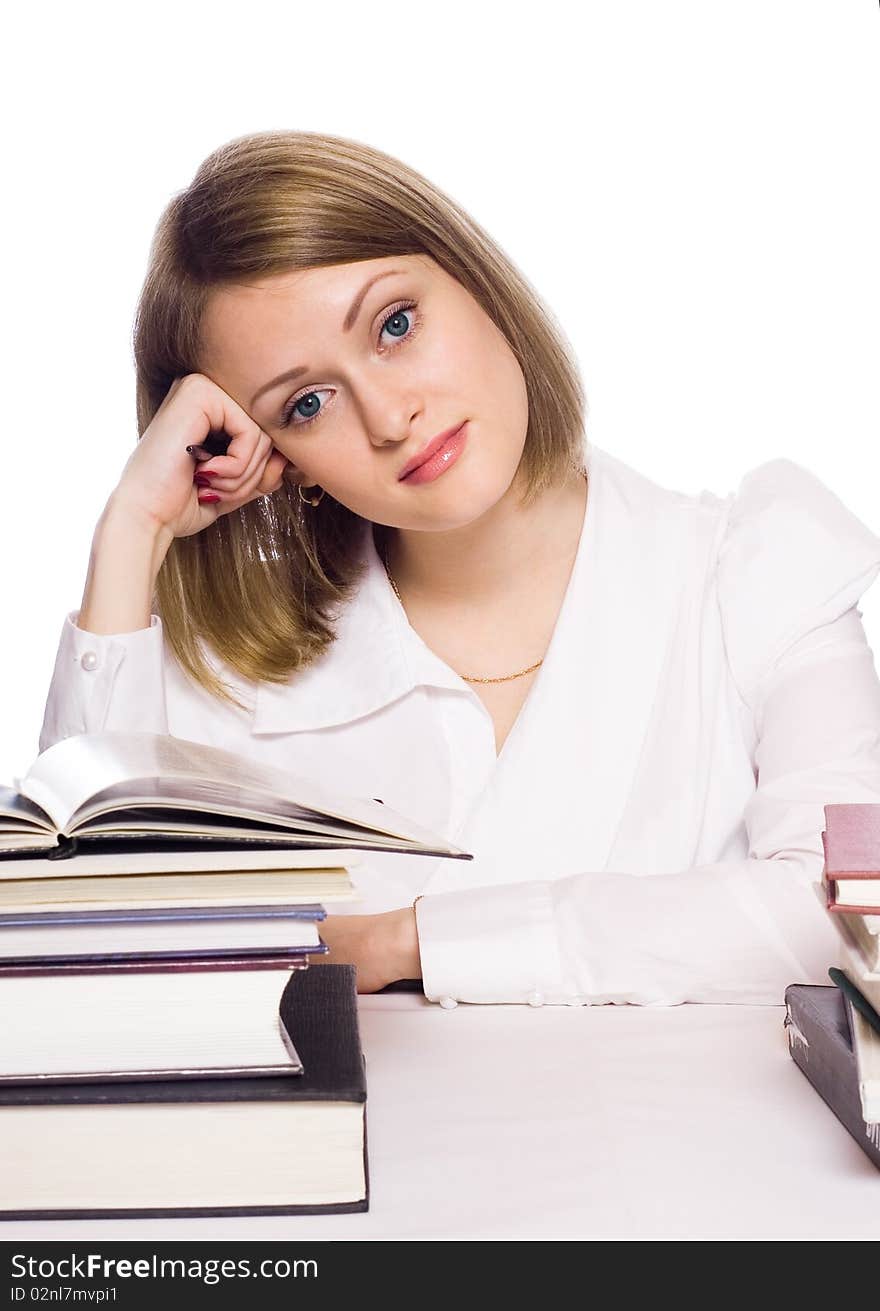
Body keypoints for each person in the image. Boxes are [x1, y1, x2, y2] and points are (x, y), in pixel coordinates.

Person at [40, 129, 880, 1007]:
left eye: (395, 325)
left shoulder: (759, 571)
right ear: (272, 450)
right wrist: (129, 534)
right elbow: (85, 970)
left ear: (474, 279)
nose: (390, 415)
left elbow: (841, 914)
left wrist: (410, 941)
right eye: (307, 402)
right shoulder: (225, 684)